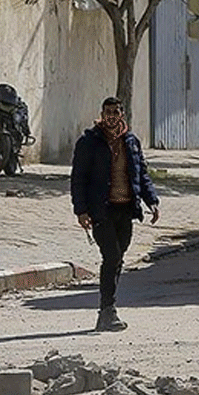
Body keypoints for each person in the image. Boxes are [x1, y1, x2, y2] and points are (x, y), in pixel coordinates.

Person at [71, 97, 160, 332]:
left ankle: (109, 310)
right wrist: (81, 210)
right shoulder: (89, 142)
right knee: (111, 257)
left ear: (122, 113)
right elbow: (78, 178)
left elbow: (141, 172)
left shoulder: (131, 141)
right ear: (102, 113)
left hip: (126, 209)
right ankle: (106, 311)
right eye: (107, 111)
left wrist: (152, 201)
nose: (111, 116)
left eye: (116, 111)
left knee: (119, 257)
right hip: (102, 210)